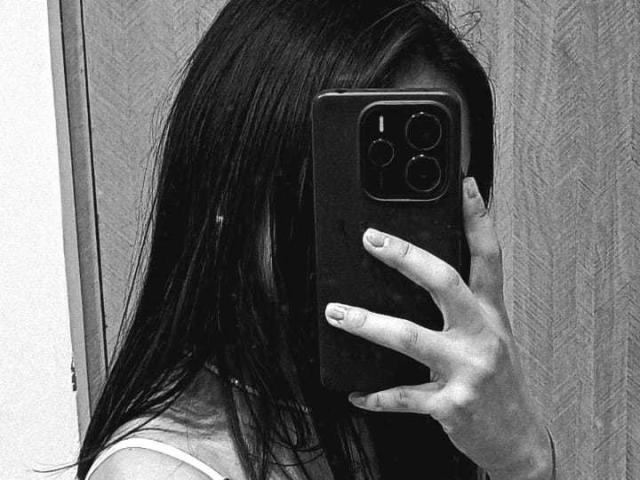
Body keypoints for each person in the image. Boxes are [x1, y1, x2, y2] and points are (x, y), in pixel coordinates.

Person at [76, 0, 556, 479]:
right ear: (227, 190)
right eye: (337, 198)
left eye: (424, 201)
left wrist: (522, 455)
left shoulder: (429, 412)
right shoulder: (158, 472)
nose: (383, 243)